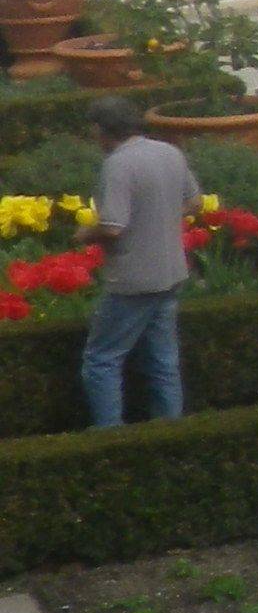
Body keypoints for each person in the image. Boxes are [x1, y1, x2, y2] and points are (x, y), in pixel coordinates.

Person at [77, 96, 193, 428]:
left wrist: (85, 234)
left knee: (102, 360)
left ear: (101, 130)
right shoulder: (169, 152)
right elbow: (195, 202)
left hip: (132, 280)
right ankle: (170, 434)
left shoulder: (118, 164)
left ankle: (110, 437)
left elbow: (113, 226)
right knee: (163, 362)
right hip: (170, 273)